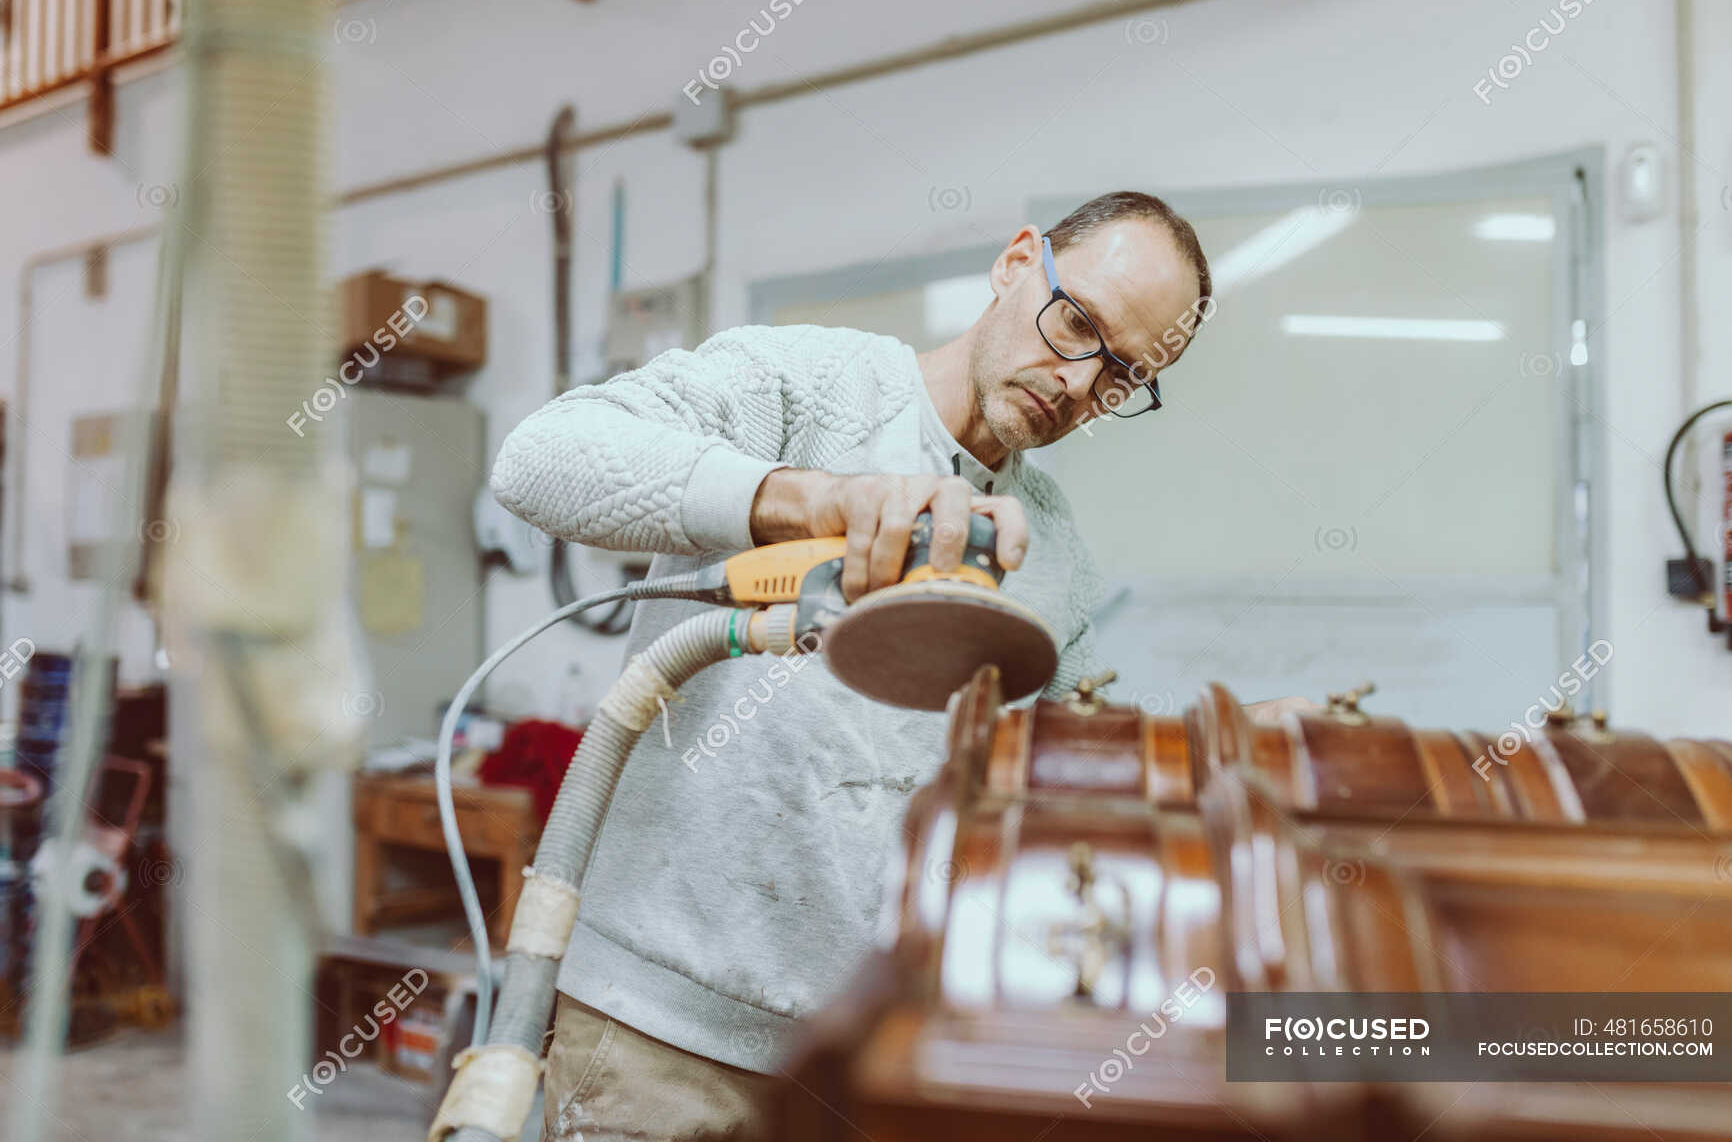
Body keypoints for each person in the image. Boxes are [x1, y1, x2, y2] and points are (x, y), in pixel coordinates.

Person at [491, 190, 1304, 1140]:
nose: (1081, 383)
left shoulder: (1053, 549)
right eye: (1077, 322)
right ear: (1015, 262)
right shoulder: (805, 382)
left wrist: (1213, 748)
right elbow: (539, 461)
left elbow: (1058, 768)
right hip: (660, 1039)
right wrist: (808, 499)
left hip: (872, 1054)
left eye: (1122, 375)